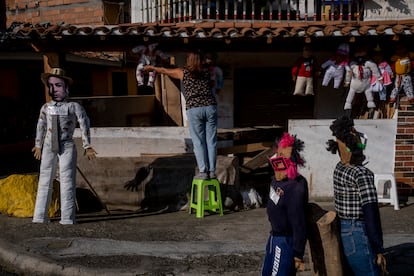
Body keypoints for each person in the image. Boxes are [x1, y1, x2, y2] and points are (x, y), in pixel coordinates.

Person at [32, 67, 97, 224]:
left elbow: (84, 123)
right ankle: (40, 216)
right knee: (45, 179)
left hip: (66, 144)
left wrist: (87, 145)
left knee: (67, 179)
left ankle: (67, 217)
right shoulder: (46, 107)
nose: (54, 89)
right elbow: (40, 125)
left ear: (66, 87)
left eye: (58, 85)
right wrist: (38, 144)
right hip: (48, 145)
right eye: (51, 85)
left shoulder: (74, 107)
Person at [326, 116, 387, 276]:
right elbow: (371, 212)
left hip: (344, 230)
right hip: (358, 232)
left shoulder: (339, 168)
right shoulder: (362, 174)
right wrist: (378, 247)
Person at [144, 49, 218, 180]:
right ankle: (212, 171)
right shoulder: (208, 71)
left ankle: (203, 171)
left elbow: (165, 71)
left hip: (194, 108)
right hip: (210, 106)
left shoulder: (183, 73)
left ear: (188, 61)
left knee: (198, 141)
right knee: (211, 141)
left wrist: (152, 67)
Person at [262, 132, 308, 276]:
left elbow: (299, 222)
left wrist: (298, 252)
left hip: (285, 241)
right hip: (273, 237)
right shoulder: (276, 181)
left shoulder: (296, 187)